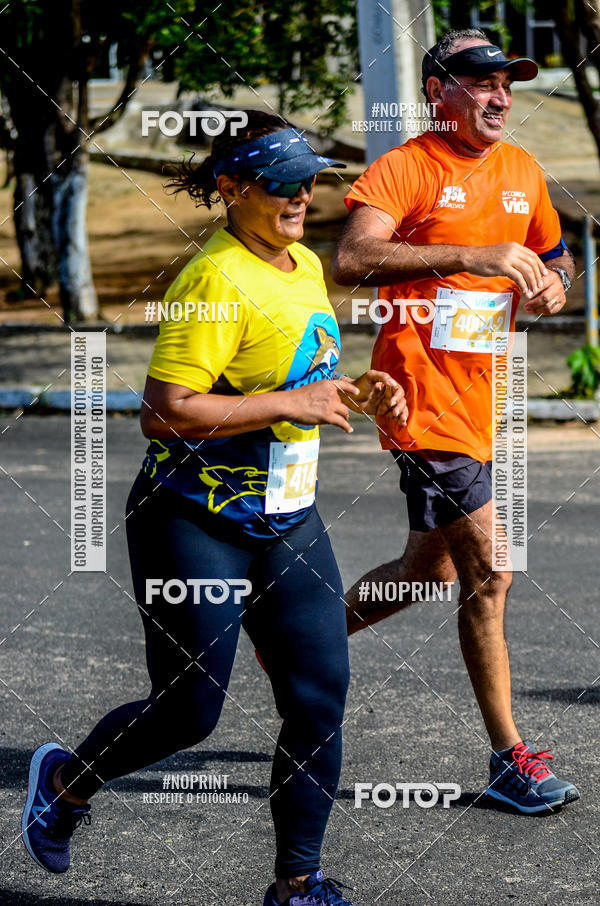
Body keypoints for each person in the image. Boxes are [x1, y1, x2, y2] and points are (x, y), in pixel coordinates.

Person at [21, 112, 408, 904]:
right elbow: (164, 411)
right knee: (189, 712)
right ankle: (65, 783)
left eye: (310, 181)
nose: (301, 197)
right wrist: (292, 402)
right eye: (282, 184)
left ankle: (297, 883)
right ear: (232, 188)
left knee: (319, 696)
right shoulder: (213, 279)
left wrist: (355, 391)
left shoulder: (303, 263)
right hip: (194, 520)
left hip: (288, 518)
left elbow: (291, 375)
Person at [332, 28, 580, 814]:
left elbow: (556, 253)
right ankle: (509, 761)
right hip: (421, 403)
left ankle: (295, 636)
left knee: (428, 573)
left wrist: (556, 283)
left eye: (508, 81)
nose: (500, 95)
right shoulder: (407, 167)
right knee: (491, 572)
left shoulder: (521, 170)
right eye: (481, 80)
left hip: (481, 407)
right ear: (438, 89)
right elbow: (352, 259)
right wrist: (468, 256)